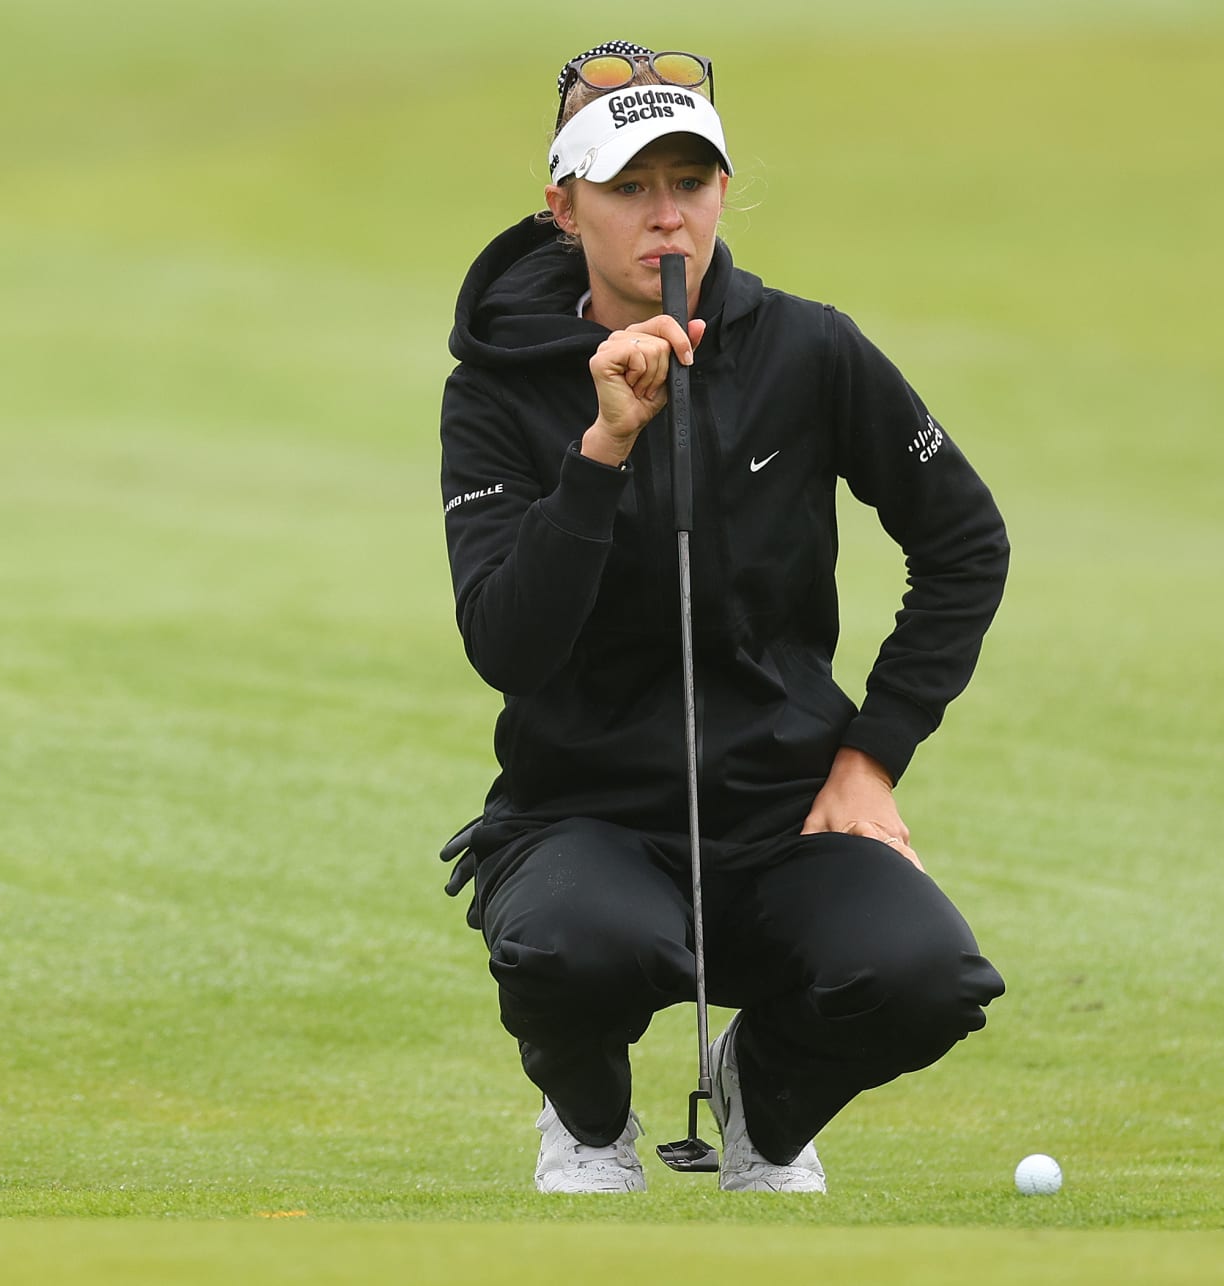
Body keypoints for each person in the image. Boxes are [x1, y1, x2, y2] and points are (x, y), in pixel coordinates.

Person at [436, 40, 1009, 1194]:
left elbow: (964, 540)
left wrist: (872, 754)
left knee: (929, 977)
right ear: (564, 207)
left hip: (784, 810)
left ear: (722, 192)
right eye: (630, 188)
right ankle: (589, 1117)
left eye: (690, 183)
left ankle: (766, 1095)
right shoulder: (498, 387)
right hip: (580, 815)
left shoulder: (811, 349)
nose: (667, 217)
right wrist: (603, 450)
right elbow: (507, 642)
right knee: (582, 946)